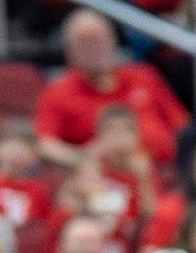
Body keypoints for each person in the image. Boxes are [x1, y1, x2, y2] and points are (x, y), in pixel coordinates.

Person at [37, 10, 188, 170]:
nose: (95, 49)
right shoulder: (58, 93)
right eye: (85, 43)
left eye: (99, 40)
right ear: (69, 52)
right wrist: (85, 158)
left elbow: (182, 125)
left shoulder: (145, 76)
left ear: (113, 41)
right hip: (108, 182)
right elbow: (46, 145)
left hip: (167, 173)